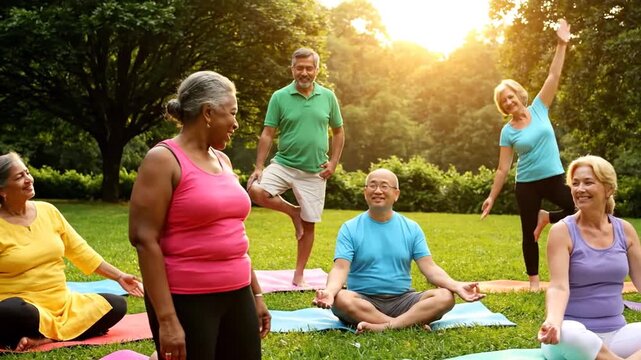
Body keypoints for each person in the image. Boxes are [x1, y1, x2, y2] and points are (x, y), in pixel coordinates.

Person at [129, 71, 270, 360]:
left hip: (237, 293)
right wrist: (167, 320)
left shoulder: (223, 159)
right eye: (231, 113)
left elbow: (233, 232)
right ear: (208, 112)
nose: (235, 123)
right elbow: (144, 239)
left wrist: (255, 294)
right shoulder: (163, 159)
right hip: (187, 298)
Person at [0, 152, 143, 351]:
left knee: (116, 305)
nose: (28, 179)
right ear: (2, 191)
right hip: (26, 308)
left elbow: (81, 251)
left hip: (63, 304)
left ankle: (44, 337)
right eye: (19, 177)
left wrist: (119, 276)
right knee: (10, 311)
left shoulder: (48, 211)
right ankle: (57, 331)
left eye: (27, 172)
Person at [312, 168, 485, 333]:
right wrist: (330, 292)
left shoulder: (411, 228)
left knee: (445, 297)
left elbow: (430, 268)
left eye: (384, 186)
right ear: (365, 192)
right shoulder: (349, 228)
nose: (378, 190)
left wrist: (456, 286)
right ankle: (409, 323)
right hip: (363, 300)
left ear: (396, 194)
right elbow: (340, 268)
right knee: (341, 299)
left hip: (403, 300)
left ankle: (386, 326)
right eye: (372, 185)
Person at [481, 19, 575, 290]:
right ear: (503, 107)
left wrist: (561, 43)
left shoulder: (539, 109)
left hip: (554, 177)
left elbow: (553, 76)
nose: (509, 102)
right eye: (504, 101)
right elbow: (503, 169)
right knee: (527, 232)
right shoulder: (507, 132)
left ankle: (547, 217)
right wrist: (491, 197)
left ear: (519, 94)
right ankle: (533, 280)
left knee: (576, 207)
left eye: (511, 96)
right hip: (527, 184)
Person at [246, 47, 345, 286]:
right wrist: (259, 166)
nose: (304, 72)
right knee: (254, 190)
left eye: (308, 68)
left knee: (309, 224)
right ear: (292, 69)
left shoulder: (328, 97)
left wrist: (333, 162)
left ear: (316, 70)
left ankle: (299, 274)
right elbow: (268, 133)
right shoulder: (280, 96)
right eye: (299, 68)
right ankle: (293, 212)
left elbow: (339, 132)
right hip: (284, 164)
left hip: (314, 171)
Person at [538, 155, 641, 359]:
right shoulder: (562, 231)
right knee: (571, 335)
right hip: (572, 337)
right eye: (575, 183)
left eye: (588, 182)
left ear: (608, 189)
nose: (579, 189)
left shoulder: (625, 231)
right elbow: (558, 286)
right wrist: (553, 321)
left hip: (617, 335)